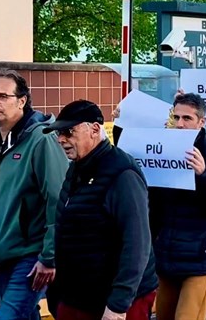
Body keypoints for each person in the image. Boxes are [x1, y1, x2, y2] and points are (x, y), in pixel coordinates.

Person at [0, 69, 68, 319]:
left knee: (7, 317)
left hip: (32, 256)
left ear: (22, 101)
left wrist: (49, 256)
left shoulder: (42, 141)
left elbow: (59, 200)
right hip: (4, 257)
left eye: (3, 96)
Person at [48, 100, 157, 319]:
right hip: (76, 296)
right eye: (58, 133)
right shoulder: (76, 168)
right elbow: (63, 225)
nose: (61, 139)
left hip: (114, 301)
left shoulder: (122, 173)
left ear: (95, 129)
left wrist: (119, 304)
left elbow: (137, 243)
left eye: (69, 131)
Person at [151, 92, 206, 320]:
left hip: (201, 259)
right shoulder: (164, 149)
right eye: (176, 118)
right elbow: (153, 203)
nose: (180, 124)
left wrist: (204, 173)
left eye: (187, 118)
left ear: (201, 122)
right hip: (168, 255)